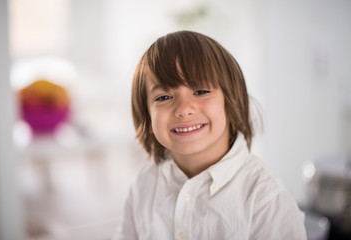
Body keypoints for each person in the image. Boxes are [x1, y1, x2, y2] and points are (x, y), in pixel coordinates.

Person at [115, 31, 307, 239]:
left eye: (201, 91)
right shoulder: (144, 184)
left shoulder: (265, 198)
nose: (184, 109)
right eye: (164, 97)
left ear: (231, 100)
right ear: (147, 118)